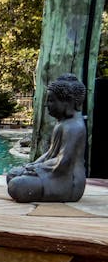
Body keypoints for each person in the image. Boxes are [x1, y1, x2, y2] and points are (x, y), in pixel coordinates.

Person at [6, 74, 87, 203]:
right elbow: (50, 153)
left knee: (16, 186)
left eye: (51, 100)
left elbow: (63, 161)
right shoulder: (62, 123)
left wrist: (37, 169)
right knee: (12, 174)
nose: (47, 105)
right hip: (53, 173)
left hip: (67, 181)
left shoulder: (74, 127)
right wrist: (32, 165)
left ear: (68, 102)